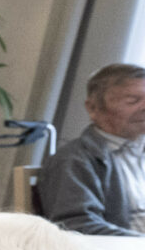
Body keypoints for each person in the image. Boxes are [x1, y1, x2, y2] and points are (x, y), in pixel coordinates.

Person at [37, 61, 145, 236]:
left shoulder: (139, 151)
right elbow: (77, 225)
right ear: (93, 108)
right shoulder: (75, 159)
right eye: (133, 101)